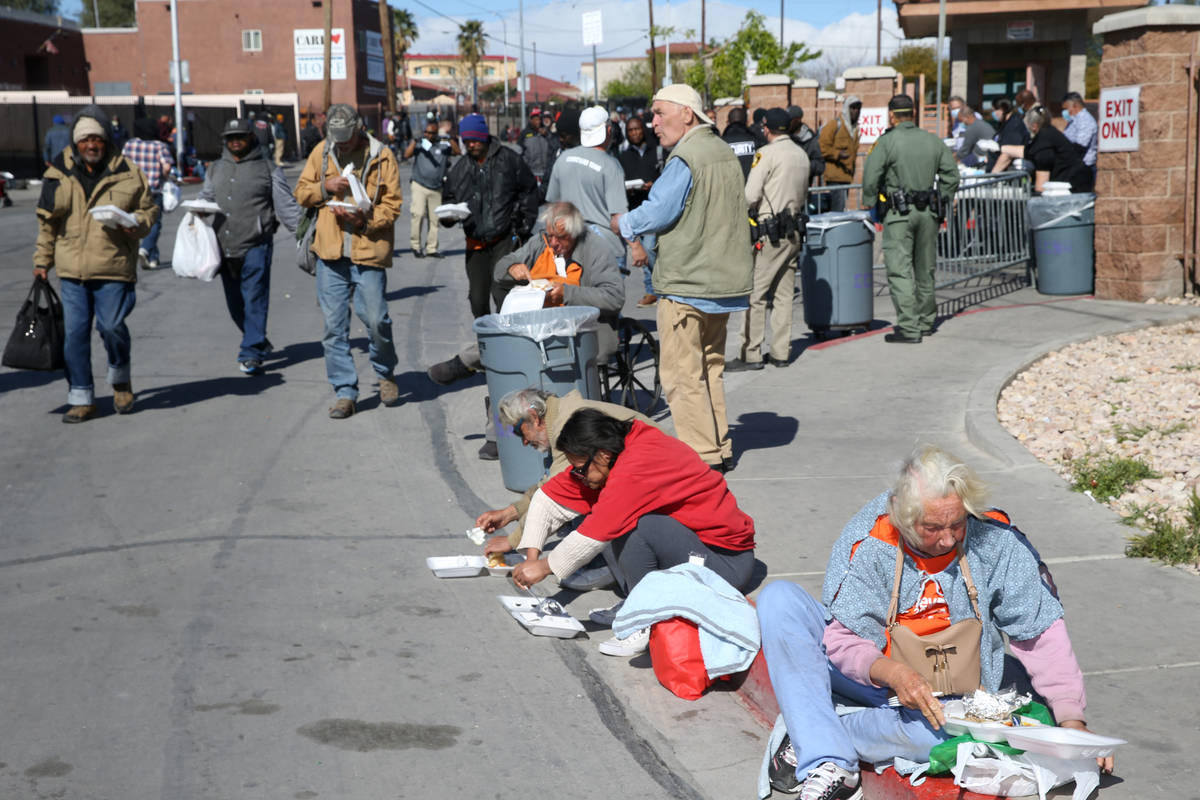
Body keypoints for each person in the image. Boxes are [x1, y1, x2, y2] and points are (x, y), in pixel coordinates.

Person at [758, 444, 1114, 798]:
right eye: (931, 527)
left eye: (957, 524)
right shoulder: (870, 539)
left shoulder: (997, 541)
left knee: (946, 737)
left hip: (947, 701)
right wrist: (895, 674)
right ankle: (829, 757)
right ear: (900, 513)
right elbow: (844, 641)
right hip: (871, 676)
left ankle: (812, 725)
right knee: (779, 600)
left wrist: (1072, 722)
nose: (947, 538)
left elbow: (1039, 630)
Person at [511, 408, 756, 656]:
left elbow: (597, 532)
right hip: (694, 544)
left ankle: (641, 621)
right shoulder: (618, 451)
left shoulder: (636, 466)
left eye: (581, 469)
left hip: (726, 563)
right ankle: (636, 603)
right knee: (618, 515)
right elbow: (548, 499)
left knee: (634, 525)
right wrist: (532, 558)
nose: (579, 476)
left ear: (603, 455)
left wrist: (544, 567)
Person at [615, 84, 753, 473]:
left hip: (687, 284)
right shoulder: (721, 151)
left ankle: (702, 459)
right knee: (709, 369)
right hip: (722, 283)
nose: (653, 122)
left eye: (660, 113)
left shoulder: (686, 157)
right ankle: (718, 447)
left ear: (687, 114)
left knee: (680, 374)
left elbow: (657, 212)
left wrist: (623, 223)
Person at [33, 105, 158, 423]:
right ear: (76, 143)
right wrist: (41, 261)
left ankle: (120, 380)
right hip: (72, 269)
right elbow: (47, 222)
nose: (91, 145)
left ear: (106, 140)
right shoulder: (57, 172)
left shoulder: (128, 171)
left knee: (112, 327)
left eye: (97, 139)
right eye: (85, 139)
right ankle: (81, 398)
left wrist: (137, 223)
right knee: (75, 335)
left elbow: (149, 210)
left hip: (113, 266)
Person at [476, 387, 656, 592]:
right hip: (640, 477)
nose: (524, 441)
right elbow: (554, 489)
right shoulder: (560, 415)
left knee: (594, 510)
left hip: (649, 484)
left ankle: (624, 580)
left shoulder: (567, 426)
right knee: (575, 493)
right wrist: (511, 514)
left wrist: (519, 546)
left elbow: (571, 501)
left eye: (520, 432)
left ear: (534, 418)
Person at [294, 103, 404, 419]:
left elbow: (392, 206)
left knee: (376, 320)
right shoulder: (322, 152)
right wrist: (323, 187)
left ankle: (385, 373)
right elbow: (301, 192)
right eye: (337, 138)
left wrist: (363, 221)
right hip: (330, 254)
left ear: (359, 128)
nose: (342, 144)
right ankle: (345, 392)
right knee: (333, 327)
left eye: (347, 137)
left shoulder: (382, 155)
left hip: (368, 250)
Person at [199, 118, 301, 375]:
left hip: (257, 243)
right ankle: (256, 338)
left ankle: (251, 352)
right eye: (231, 137)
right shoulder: (214, 169)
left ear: (251, 138)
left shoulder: (268, 168)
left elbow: (286, 206)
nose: (235, 141)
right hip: (224, 245)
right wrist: (196, 212)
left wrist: (305, 234)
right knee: (235, 304)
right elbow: (206, 197)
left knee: (255, 297)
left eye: (241, 137)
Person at [861, 94, 958, 344]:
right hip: (928, 214)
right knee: (925, 269)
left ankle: (909, 328)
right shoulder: (933, 141)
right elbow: (951, 174)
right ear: (913, 113)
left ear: (892, 115)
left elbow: (871, 174)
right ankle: (926, 322)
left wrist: (870, 201)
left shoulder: (887, 142)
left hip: (899, 214)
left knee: (900, 271)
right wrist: (943, 198)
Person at [434, 113, 538, 320]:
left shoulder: (509, 160)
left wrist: (523, 226)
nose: (471, 145)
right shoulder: (460, 168)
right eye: (466, 141)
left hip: (505, 240)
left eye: (474, 140)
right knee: (477, 299)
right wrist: (448, 216)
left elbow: (530, 191)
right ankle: (487, 342)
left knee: (503, 294)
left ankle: (509, 339)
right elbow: (448, 200)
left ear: (484, 137)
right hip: (475, 244)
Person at [729, 108, 809, 372]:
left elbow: (750, 195)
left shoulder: (767, 153)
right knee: (784, 294)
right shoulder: (801, 153)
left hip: (770, 233)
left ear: (767, 128)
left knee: (756, 295)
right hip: (794, 231)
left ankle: (750, 353)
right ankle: (781, 352)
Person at [544, 105, 629, 276]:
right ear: (609, 130)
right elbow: (618, 218)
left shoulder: (563, 158)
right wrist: (636, 245)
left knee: (577, 298)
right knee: (607, 300)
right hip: (606, 245)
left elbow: (553, 205)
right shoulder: (611, 165)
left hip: (571, 241)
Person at [617, 114, 663, 307]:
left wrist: (654, 185)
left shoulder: (657, 152)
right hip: (634, 210)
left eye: (637, 129)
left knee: (650, 249)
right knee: (643, 251)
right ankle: (652, 290)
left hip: (654, 210)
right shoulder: (623, 157)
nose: (634, 133)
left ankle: (659, 287)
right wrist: (628, 187)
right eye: (630, 130)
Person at [993, 106, 1093, 194]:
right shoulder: (1048, 133)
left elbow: (1041, 181)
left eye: (1026, 125)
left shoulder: (1044, 142)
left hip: (1074, 187)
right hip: (1076, 181)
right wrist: (999, 148)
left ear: (1034, 126)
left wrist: (1036, 198)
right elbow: (1026, 151)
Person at [122, 118, 175, 271]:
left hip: (131, 190)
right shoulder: (159, 146)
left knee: (134, 220)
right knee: (154, 223)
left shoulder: (129, 144)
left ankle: (153, 258)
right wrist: (164, 177)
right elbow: (166, 168)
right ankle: (145, 248)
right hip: (153, 190)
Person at [404, 120, 454, 258]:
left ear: (436, 133)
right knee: (418, 214)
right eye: (426, 132)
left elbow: (458, 151)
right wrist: (415, 141)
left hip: (436, 187)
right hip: (419, 184)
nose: (428, 135)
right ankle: (415, 246)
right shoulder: (420, 144)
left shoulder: (443, 145)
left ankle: (431, 248)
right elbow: (406, 155)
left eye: (431, 133)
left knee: (435, 219)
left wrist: (449, 138)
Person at [819, 95, 861, 212]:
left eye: (858, 108)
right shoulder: (834, 125)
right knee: (837, 211)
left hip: (846, 176)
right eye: (852, 108)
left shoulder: (854, 129)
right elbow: (822, 146)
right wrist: (837, 154)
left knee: (841, 209)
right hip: (834, 176)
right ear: (846, 109)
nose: (856, 111)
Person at [1061, 91, 1098, 175]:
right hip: (1072, 166)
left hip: (1083, 167)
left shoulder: (1085, 120)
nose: (1064, 113)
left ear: (1075, 106)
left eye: (1065, 109)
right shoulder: (1073, 120)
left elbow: (1080, 146)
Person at [520, 107, 554, 196]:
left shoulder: (548, 132)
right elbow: (519, 152)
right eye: (535, 119)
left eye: (539, 119)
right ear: (531, 120)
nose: (538, 122)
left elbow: (555, 146)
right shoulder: (525, 133)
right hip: (531, 173)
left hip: (546, 174)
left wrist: (547, 134)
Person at [786, 105, 824, 185]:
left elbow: (820, 166)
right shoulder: (784, 137)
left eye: (789, 120)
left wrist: (802, 166)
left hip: (802, 190)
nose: (787, 123)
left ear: (798, 120)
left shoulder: (810, 140)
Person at [721, 106, 758, 181]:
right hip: (752, 188)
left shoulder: (721, 143)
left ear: (728, 122)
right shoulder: (755, 140)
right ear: (747, 121)